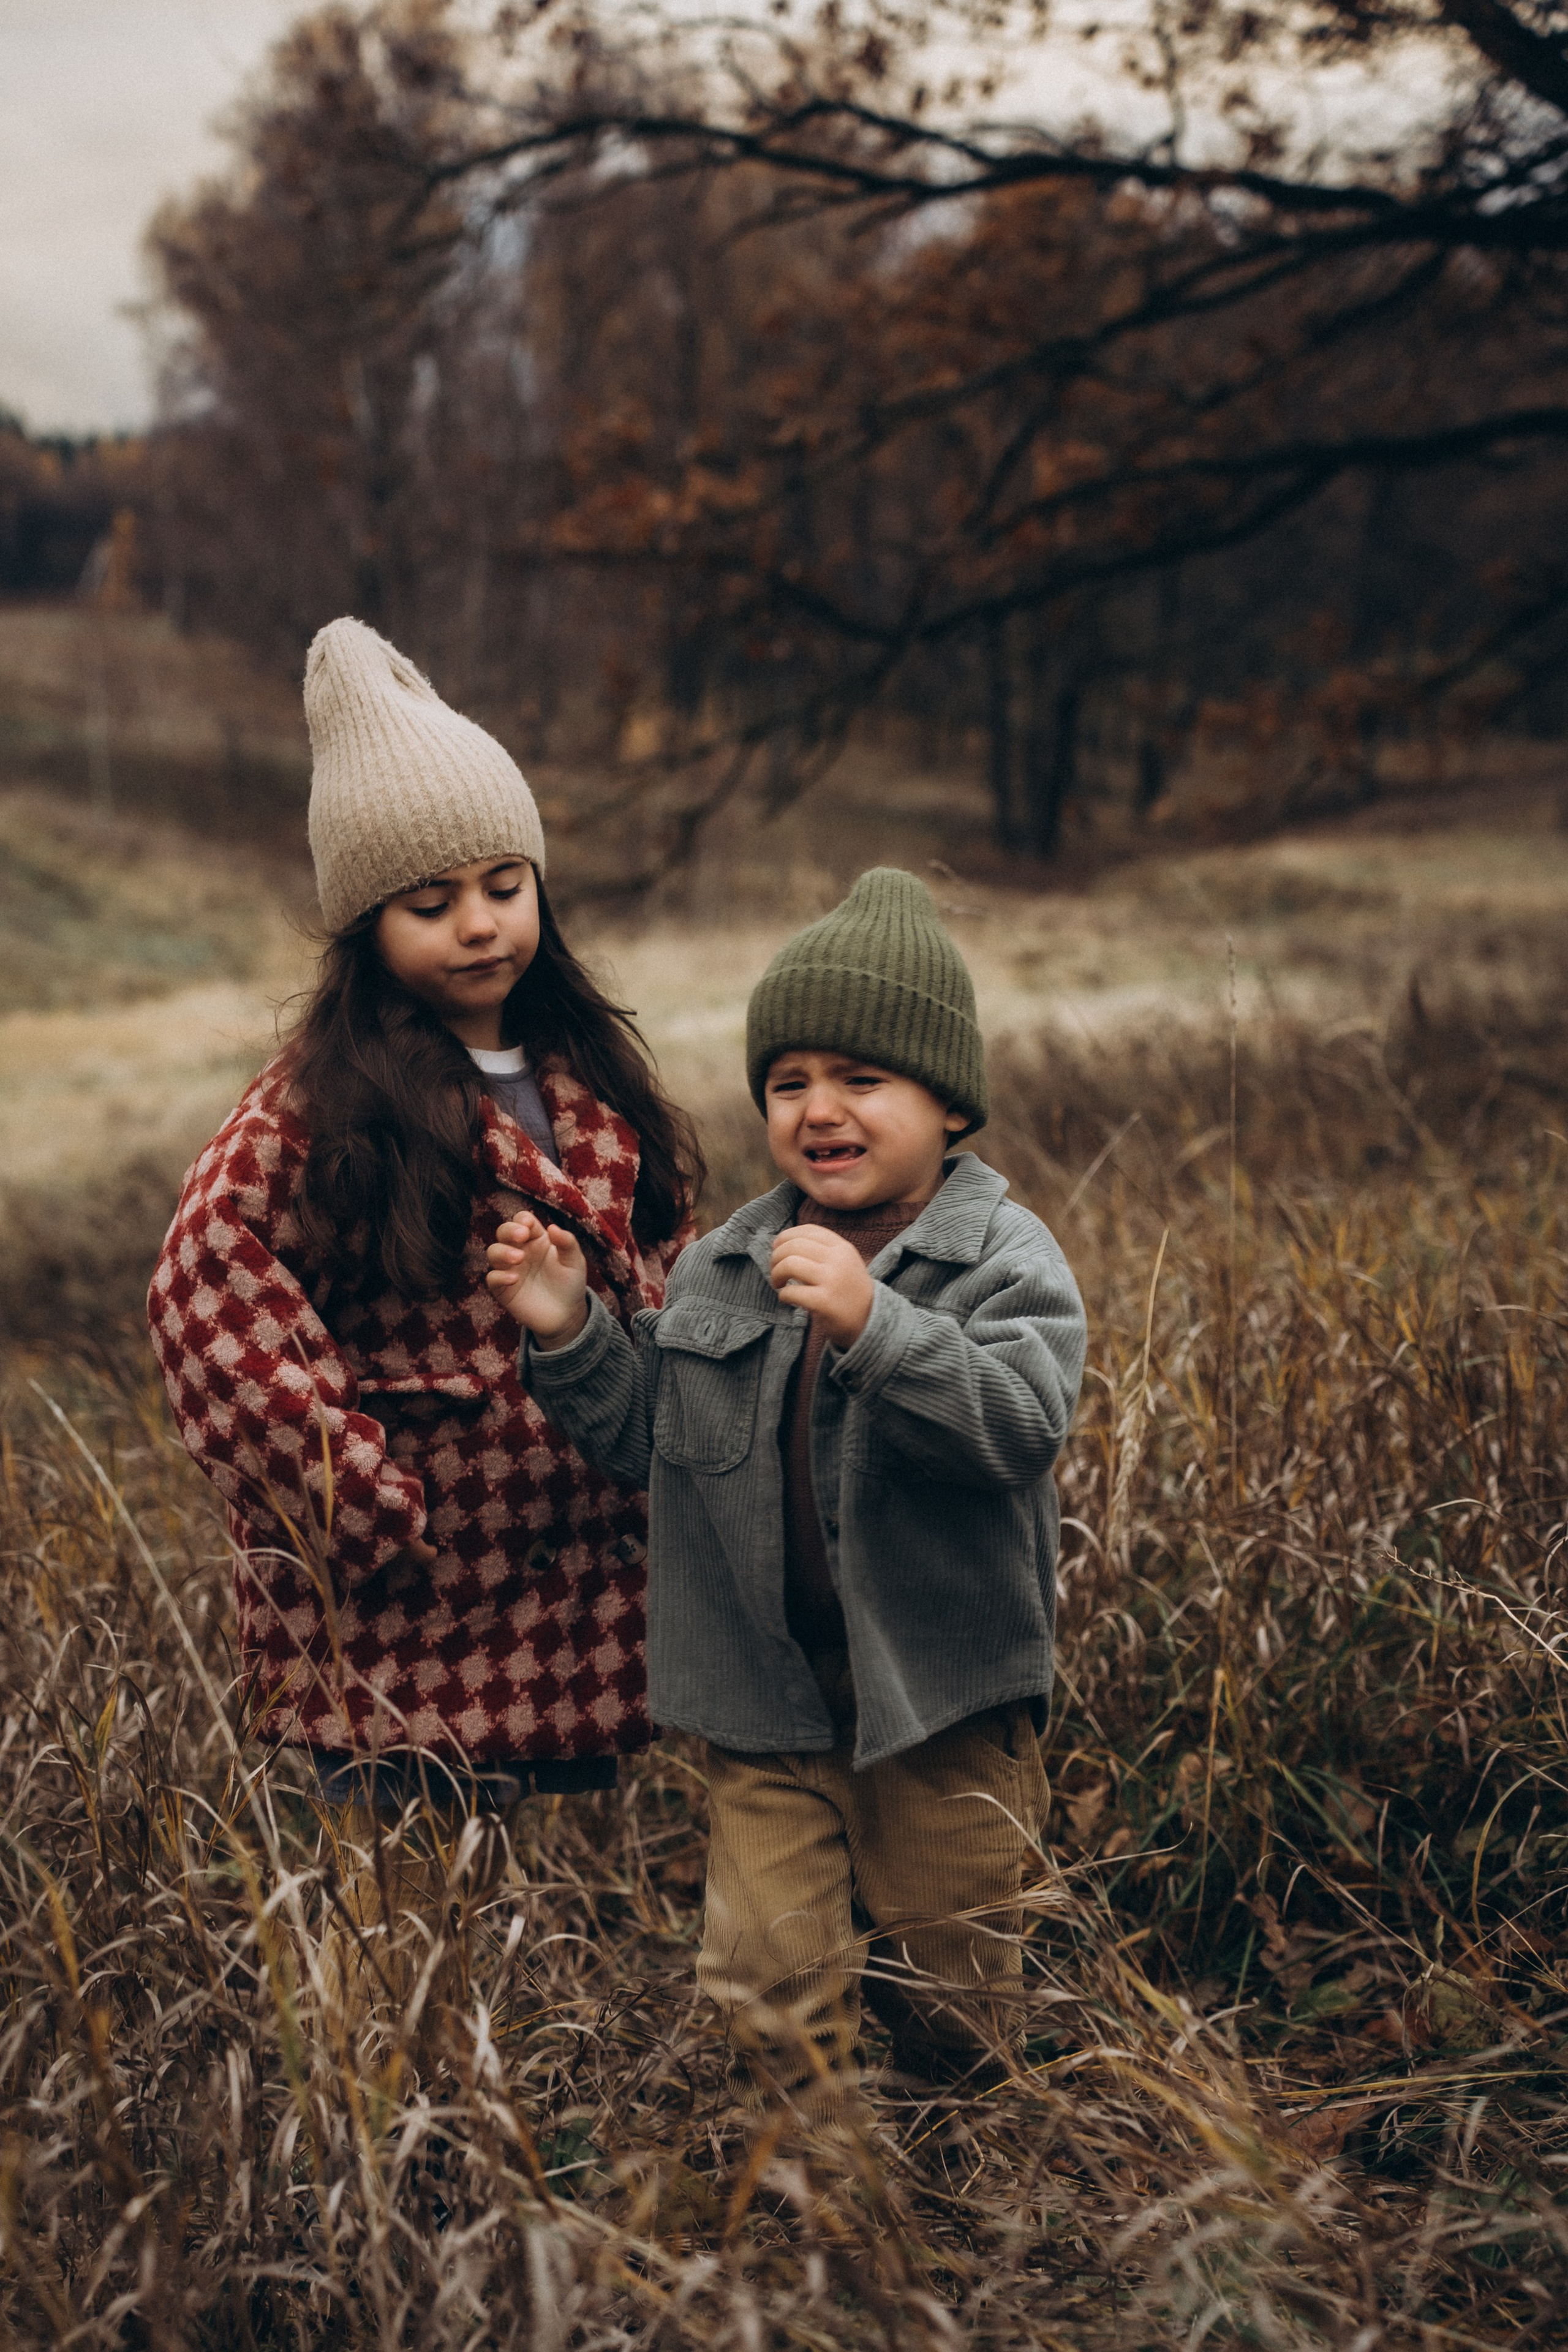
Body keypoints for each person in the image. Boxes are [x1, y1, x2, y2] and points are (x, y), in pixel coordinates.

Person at [147, 616, 699, 2033]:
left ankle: (563, 2114)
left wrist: (697, 1401)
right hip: (404, 1588)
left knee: (566, 1921)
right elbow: (206, 1284)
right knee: (399, 1929)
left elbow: (664, 1244)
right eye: (431, 899)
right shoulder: (317, 1104)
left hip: (577, 1569)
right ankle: (409, 2139)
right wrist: (346, 1492)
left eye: (504, 884)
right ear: (363, 927)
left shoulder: (589, 1070)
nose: (478, 923)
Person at [485, 867, 1085, 2108]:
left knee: (956, 1974)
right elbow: (651, 1437)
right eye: (788, 1083)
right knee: (765, 1969)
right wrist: (567, 1333)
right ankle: (815, 2179)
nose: (820, 1110)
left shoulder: (1001, 1259)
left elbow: (1018, 1426)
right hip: (768, 1697)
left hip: (939, 1694)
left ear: (946, 1104)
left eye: (862, 1080)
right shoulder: (722, 1267)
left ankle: (969, 2157)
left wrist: (884, 1326)